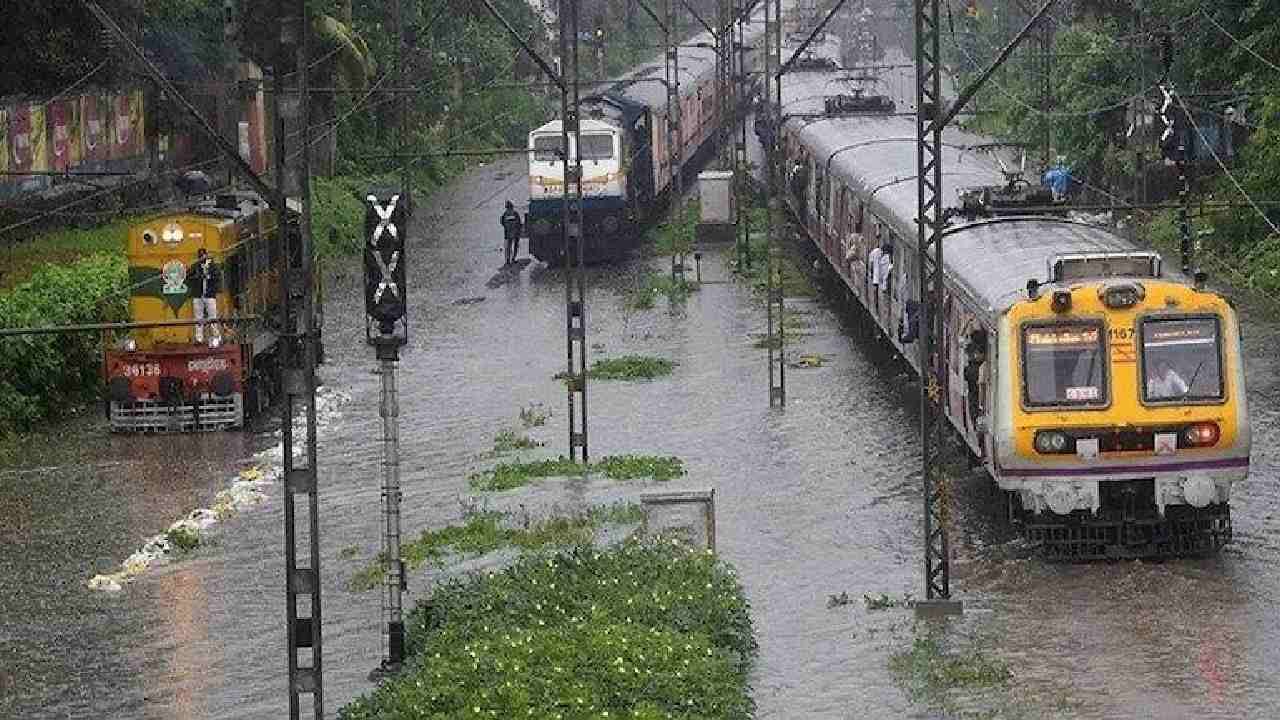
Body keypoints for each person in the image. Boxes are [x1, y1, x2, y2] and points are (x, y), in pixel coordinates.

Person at [186, 248, 221, 346]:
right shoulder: (195, 266)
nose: (202, 257)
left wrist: (208, 277)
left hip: (210, 295)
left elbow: (217, 277)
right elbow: (188, 276)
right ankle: (199, 338)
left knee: (212, 317)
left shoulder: (212, 266)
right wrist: (196, 277)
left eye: (203, 255)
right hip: (198, 295)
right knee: (198, 318)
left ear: (206, 255)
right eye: (200, 256)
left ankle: (216, 337)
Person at [500, 200, 523, 266]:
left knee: (508, 247)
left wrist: (506, 227)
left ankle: (508, 260)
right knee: (514, 246)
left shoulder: (505, 214)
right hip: (515, 233)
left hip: (508, 233)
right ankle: (513, 259)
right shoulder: (515, 213)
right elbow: (519, 223)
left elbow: (502, 222)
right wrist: (519, 230)